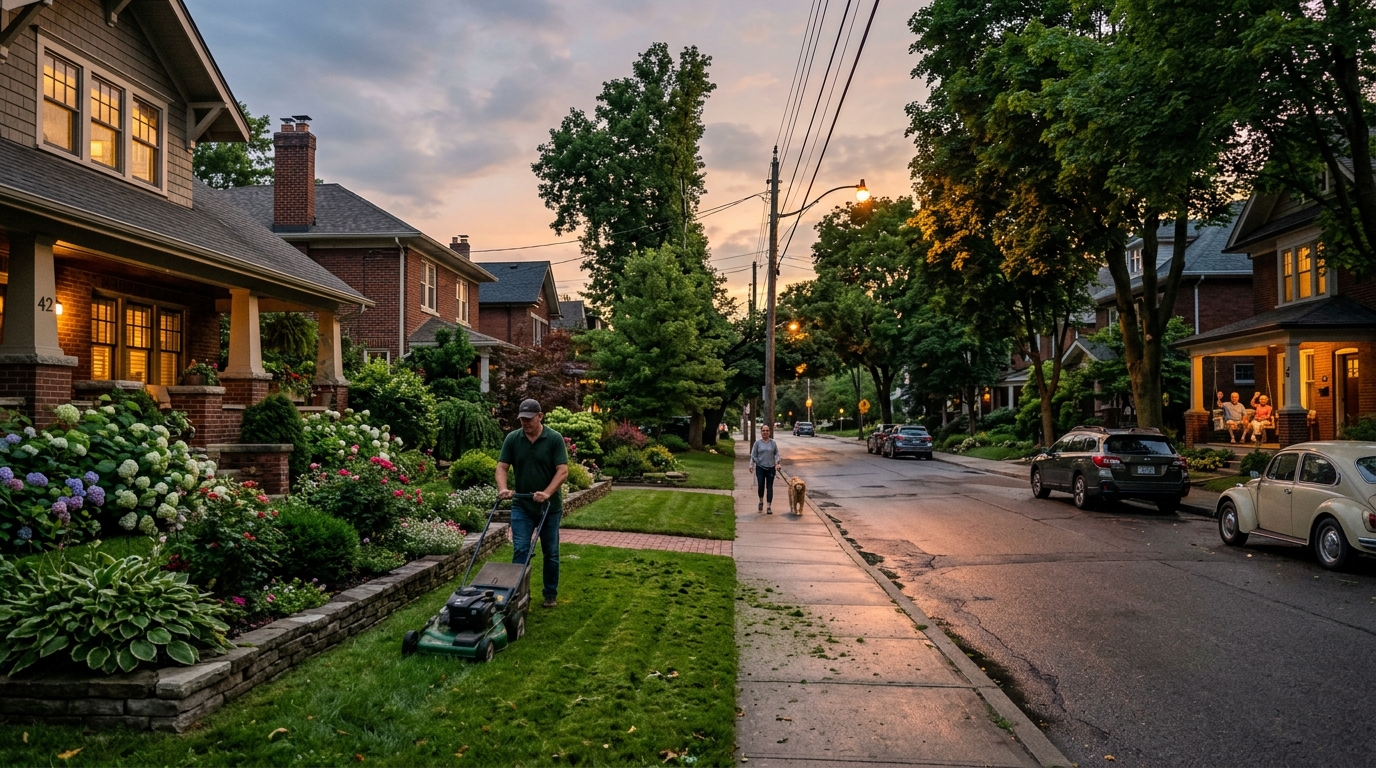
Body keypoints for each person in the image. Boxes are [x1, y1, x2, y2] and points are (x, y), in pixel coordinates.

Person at [496, 399, 568, 608]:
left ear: (540, 416)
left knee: (551, 552)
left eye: (528, 419)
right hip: (522, 505)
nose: (525, 423)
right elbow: (502, 467)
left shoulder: (554, 439)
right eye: (522, 419)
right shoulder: (513, 439)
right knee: (520, 549)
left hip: (549, 508)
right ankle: (517, 595)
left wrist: (547, 493)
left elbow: (562, 470)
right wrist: (503, 488)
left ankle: (550, 594)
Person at [750, 424, 781, 514]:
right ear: (761, 432)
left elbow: (776, 454)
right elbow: (753, 455)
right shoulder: (757, 443)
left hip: (771, 468)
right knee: (761, 485)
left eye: (767, 431)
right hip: (760, 467)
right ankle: (761, 501)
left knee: (769, 486)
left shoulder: (773, 443)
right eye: (763, 430)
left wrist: (777, 463)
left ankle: (768, 506)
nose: (765, 432)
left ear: (769, 432)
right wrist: (751, 465)